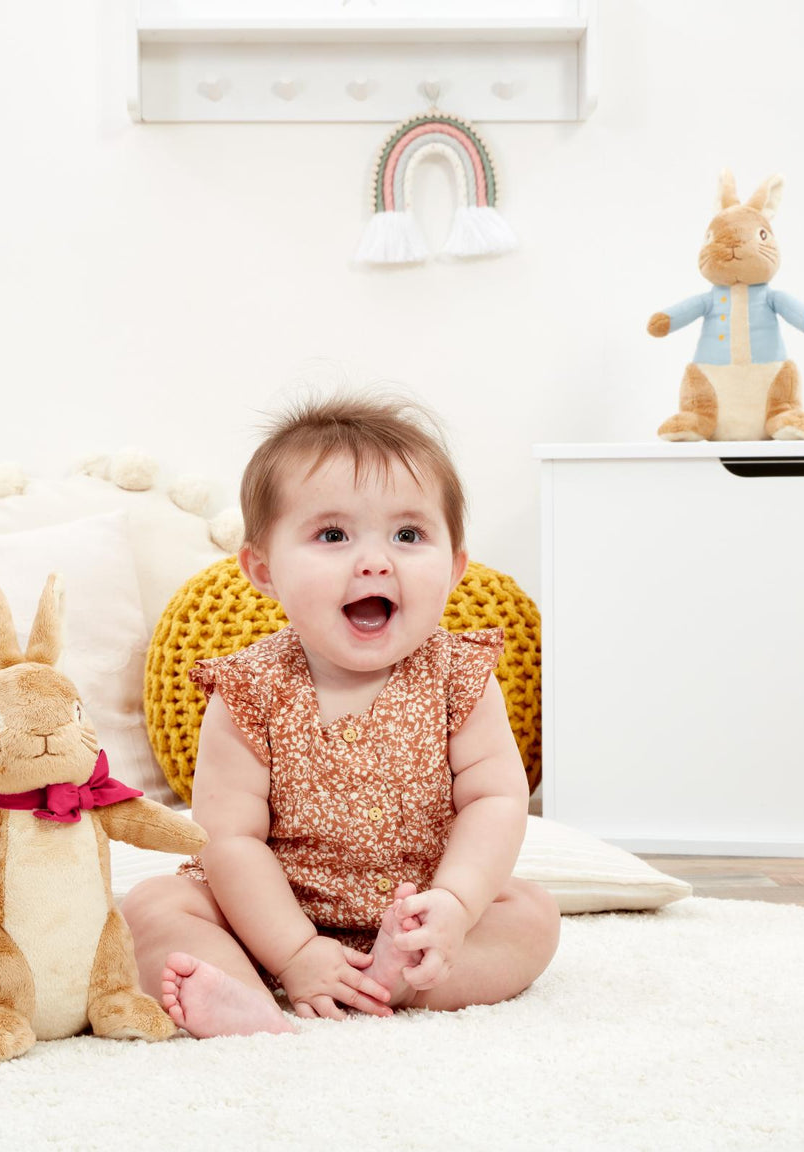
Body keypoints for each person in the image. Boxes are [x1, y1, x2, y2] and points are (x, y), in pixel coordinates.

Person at [121, 392, 560, 1037]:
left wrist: (456, 905)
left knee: (531, 916)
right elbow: (229, 839)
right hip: (263, 914)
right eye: (333, 535)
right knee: (154, 906)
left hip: (414, 909)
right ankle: (243, 995)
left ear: (455, 567)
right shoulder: (249, 690)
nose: (376, 560)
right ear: (263, 569)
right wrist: (294, 950)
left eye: (409, 535)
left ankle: (398, 980)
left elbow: (494, 798)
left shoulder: (458, 677)